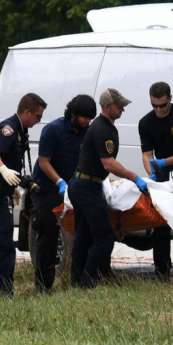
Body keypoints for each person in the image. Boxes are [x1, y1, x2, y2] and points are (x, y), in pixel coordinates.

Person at [68, 88, 148, 289]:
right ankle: (88, 283)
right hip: (87, 187)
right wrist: (135, 177)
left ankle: (77, 282)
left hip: (83, 184)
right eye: (119, 105)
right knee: (104, 238)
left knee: (84, 237)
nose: (123, 109)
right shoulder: (102, 129)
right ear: (106, 107)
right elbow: (109, 164)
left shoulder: (104, 127)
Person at [0, 93, 47, 300]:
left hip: (2, 193)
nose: (38, 121)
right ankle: (4, 295)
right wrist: (4, 171)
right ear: (27, 112)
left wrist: (18, 183)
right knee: (4, 246)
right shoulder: (9, 128)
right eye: (37, 116)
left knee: (0, 245)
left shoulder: (21, 130)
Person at [31, 94, 97, 293]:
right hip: (48, 188)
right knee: (48, 234)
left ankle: (81, 280)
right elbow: (44, 162)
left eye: (90, 118)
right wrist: (59, 182)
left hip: (74, 187)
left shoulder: (87, 132)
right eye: (85, 117)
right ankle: (43, 286)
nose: (88, 121)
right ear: (73, 114)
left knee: (85, 232)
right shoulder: (53, 130)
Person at [138, 82, 173, 281]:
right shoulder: (145, 123)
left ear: (170, 98)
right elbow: (146, 154)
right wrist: (150, 171)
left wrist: (164, 162)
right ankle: (161, 271)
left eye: (162, 105)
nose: (159, 110)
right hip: (161, 175)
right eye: (155, 106)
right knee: (160, 223)